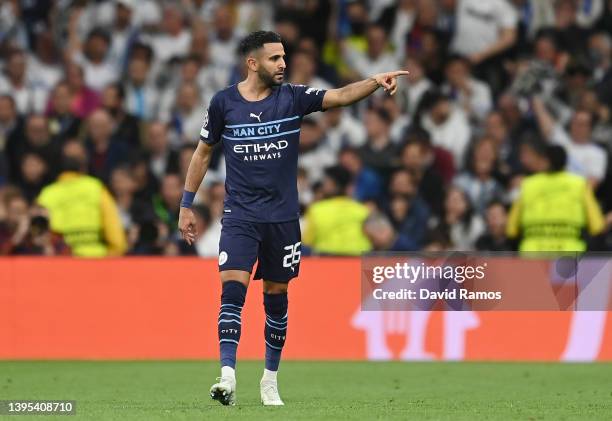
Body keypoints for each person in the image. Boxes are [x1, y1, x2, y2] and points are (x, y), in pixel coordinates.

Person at [177, 31, 408, 406]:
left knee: (276, 297)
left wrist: (374, 82)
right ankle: (227, 376)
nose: (283, 64)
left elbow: (341, 96)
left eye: (284, 57)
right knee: (232, 291)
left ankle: (270, 380)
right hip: (240, 216)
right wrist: (187, 204)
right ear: (253, 63)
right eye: (274, 58)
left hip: (282, 219)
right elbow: (203, 153)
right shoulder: (223, 103)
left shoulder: (294, 97)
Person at [507, 144, 605, 252]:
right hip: (570, 253)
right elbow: (597, 226)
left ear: (546, 161)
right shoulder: (580, 184)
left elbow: (511, 229)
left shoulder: (528, 184)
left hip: (532, 253)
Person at [37, 140, 128, 257]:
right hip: (95, 260)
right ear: (83, 167)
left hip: (61, 261)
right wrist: (111, 256)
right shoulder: (96, 188)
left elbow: (38, 233)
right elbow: (116, 236)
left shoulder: (47, 194)